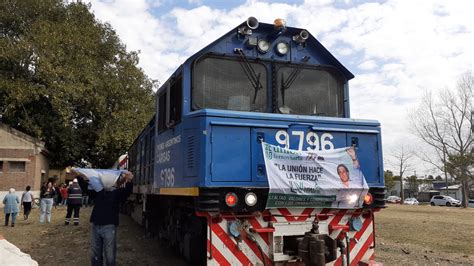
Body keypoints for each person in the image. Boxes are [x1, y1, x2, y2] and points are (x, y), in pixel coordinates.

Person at [77, 171, 133, 266]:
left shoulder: (117, 193)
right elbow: (85, 188)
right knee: (96, 253)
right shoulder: (98, 192)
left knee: (109, 254)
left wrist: (129, 180)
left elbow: (128, 191)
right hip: (96, 225)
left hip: (109, 227)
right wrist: (79, 176)